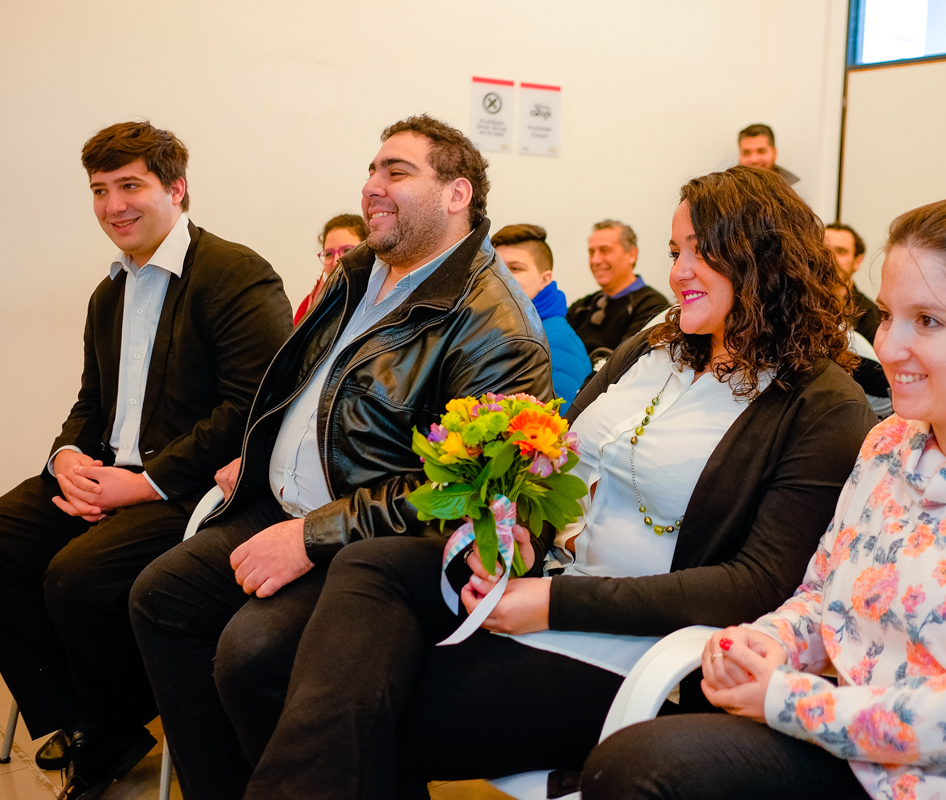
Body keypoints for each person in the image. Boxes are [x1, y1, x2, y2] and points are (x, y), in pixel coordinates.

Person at [224, 165, 877, 800]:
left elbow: (756, 584)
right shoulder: (654, 347)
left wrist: (547, 605)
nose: (678, 272)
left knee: (363, 707)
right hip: (541, 582)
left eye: (702, 253)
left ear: (765, 260)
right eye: (676, 250)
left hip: (637, 644)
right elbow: (550, 458)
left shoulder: (823, 405)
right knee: (371, 571)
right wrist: (515, 537)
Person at [582, 165, 946, 800]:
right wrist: (764, 643)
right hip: (861, 753)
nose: (891, 345)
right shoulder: (890, 445)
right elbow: (822, 598)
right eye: (887, 315)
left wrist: (797, 701)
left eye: (927, 321)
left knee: (650, 773)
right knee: (635, 763)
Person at [128, 115, 553, 800]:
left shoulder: (494, 323)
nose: (372, 187)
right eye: (372, 170)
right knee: (160, 597)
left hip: (374, 544)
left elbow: (465, 493)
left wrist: (311, 536)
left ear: (457, 194)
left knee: (253, 655)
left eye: (396, 172)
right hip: (285, 503)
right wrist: (257, 454)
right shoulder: (361, 270)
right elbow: (304, 389)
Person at [0, 121, 292, 800]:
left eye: (130, 185)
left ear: (177, 188)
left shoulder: (234, 272)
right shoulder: (109, 292)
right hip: (110, 472)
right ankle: (87, 720)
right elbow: (89, 403)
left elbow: (253, 405)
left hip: (194, 490)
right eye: (100, 190)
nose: (113, 206)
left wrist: (145, 485)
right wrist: (68, 456)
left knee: (74, 578)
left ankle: (109, 721)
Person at [492, 223, 591, 409]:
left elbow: (558, 420)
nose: (501, 276)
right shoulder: (500, 326)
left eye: (515, 268)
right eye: (496, 268)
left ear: (545, 279)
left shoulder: (556, 338)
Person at [566, 219, 670, 360]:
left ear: (632, 255)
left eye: (604, 250)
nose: (595, 260)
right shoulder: (582, 307)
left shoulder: (652, 305)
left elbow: (625, 364)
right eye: (591, 252)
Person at [826, 221, 891, 417]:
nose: (829, 257)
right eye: (822, 248)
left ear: (857, 261)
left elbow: (885, 385)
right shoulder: (792, 302)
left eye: (841, 251)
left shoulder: (872, 315)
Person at [293, 214, 368, 325]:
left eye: (347, 250)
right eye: (328, 253)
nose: (336, 261)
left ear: (368, 252)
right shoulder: (308, 307)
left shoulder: (383, 300)